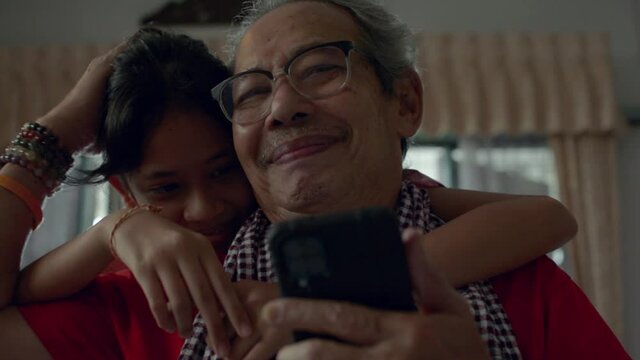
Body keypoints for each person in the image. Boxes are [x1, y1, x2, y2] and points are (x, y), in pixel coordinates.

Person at [177, 0, 631, 359]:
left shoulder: (524, 282)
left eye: (320, 69)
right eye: (253, 91)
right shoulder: (176, 292)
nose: (281, 107)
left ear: (405, 104)